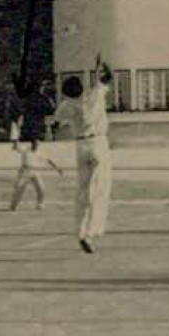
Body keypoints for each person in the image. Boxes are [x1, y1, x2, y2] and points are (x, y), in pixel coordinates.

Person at [53, 57, 115, 253]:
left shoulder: (66, 105)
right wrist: (101, 68)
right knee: (100, 189)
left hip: (81, 146)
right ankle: (91, 232)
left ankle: (80, 232)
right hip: (99, 142)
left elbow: (55, 124)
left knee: (83, 192)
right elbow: (108, 78)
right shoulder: (95, 94)